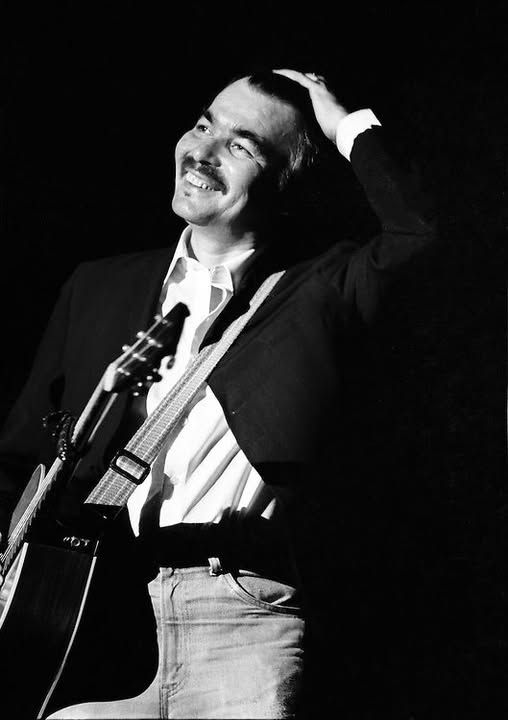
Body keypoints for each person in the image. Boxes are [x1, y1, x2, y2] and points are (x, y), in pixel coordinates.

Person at [0, 68, 437, 718]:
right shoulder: (98, 285)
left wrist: (342, 122)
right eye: (204, 124)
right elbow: (17, 459)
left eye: (240, 145)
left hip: (243, 619)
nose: (202, 151)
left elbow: (421, 234)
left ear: (287, 181)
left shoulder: (322, 290)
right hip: (91, 621)